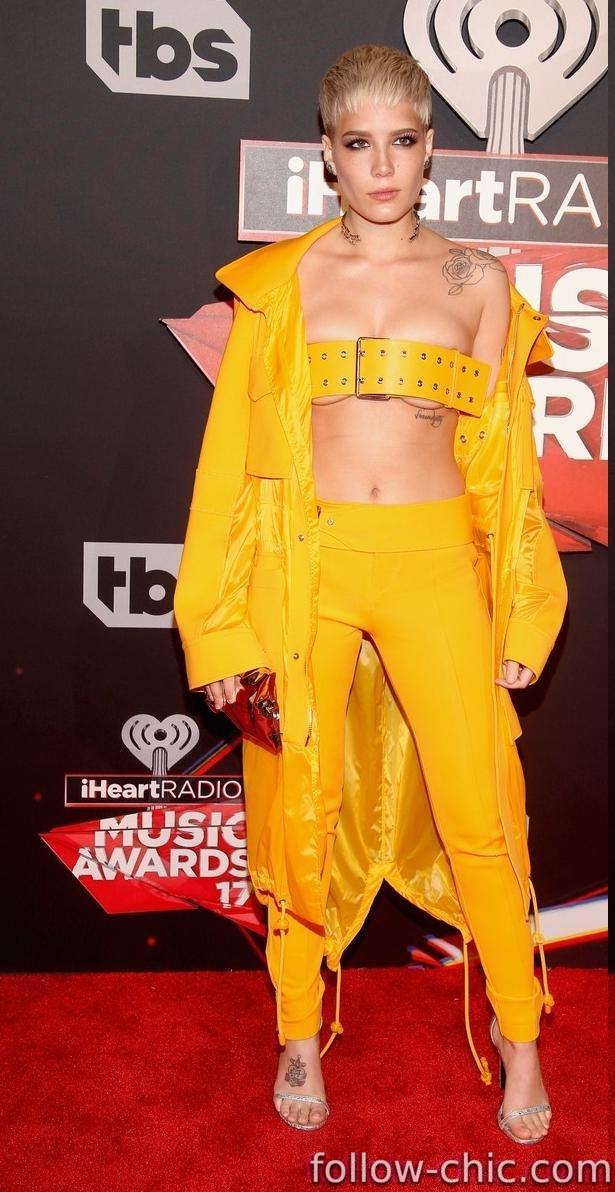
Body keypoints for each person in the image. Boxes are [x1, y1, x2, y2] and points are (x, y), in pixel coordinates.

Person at [172, 45, 567, 1141]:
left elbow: (507, 469)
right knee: (299, 807)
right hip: (310, 567)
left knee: (480, 813)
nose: (381, 165)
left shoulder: (479, 284)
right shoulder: (279, 285)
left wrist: (525, 606)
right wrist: (221, 626)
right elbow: (227, 470)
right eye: (359, 144)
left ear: (430, 150)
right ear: (328, 156)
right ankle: (300, 1029)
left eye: (401, 141)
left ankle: (522, 1037)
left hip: (437, 566)